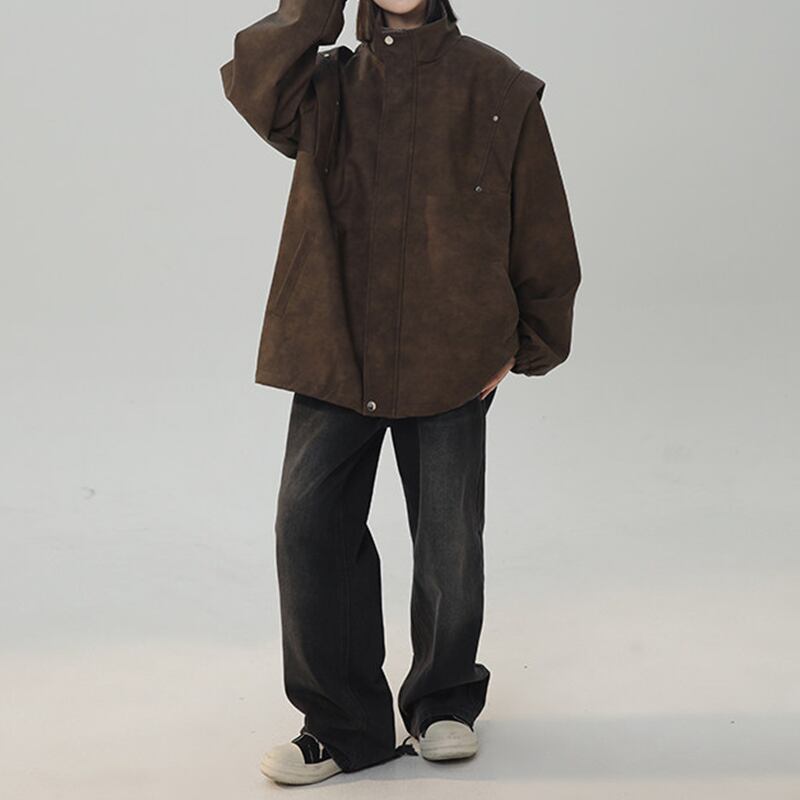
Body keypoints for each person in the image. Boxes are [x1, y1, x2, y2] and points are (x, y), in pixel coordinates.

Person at [219, 0, 581, 784]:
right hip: (335, 344)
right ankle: (341, 725)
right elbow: (254, 82)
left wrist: (528, 340)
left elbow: (542, 218)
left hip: (451, 349)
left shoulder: (497, 85)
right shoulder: (323, 86)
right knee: (308, 525)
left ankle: (443, 702)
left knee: (448, 539)